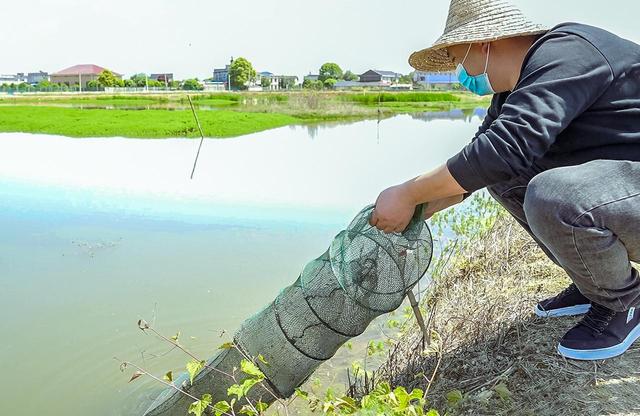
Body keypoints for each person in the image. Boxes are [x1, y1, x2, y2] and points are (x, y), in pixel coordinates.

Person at [370, 0, 640, 361]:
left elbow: (503, 150)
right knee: (505, 181)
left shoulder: (567, 53)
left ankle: (625, 301)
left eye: (457, 58)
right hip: (626, 189)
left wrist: (407, 192)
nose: (460, 73)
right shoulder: (515, 89)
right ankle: (595, 283)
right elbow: (483, 164)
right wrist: (417, 208)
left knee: (553, 195)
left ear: (482, 43)